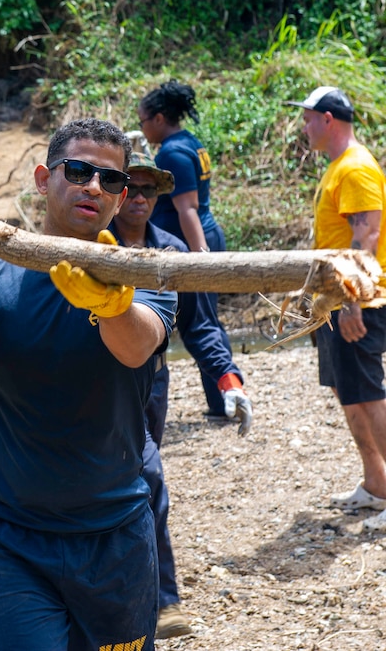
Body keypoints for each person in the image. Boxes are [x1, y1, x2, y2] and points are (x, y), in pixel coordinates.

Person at [0, 118, 177, 649]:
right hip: (9, 537)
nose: (94, 187)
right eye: (78, 171)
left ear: (123, 198)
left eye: (112, 181)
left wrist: (109, 302)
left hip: (115, 535)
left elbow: (136, 345)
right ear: (43, 179)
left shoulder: (147, 271)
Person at [108, 151, 254, 639]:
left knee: (146, 482)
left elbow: (201, 327)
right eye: (134, 187)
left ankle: (163, 599)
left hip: (148, 384)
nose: (143, 197)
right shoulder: (88, 246)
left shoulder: (171, 252)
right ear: (117, 190)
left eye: (152, 190)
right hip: (88, 381)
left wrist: (228, 381)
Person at [287, 86, 386, 533]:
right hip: (336, 301)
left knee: (368, 393)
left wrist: (350, 302)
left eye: (308, 118)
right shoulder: (338, 168)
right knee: (349, 393)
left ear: (328, 119)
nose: (303, 126)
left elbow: (366, 237)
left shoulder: (358, 168)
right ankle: (377, 484)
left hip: (359, 301)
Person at [138, 80, 237, 421]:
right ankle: (222, 398)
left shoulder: (171, 153)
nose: (142, 127)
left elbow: (188, 208)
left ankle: (226, 396)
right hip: (206, 235)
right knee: (208, 321)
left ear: (160, 118)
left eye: (143, 121)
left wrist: (199, 257)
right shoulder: (190, 142)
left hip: (194, 242)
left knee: (197, 326)